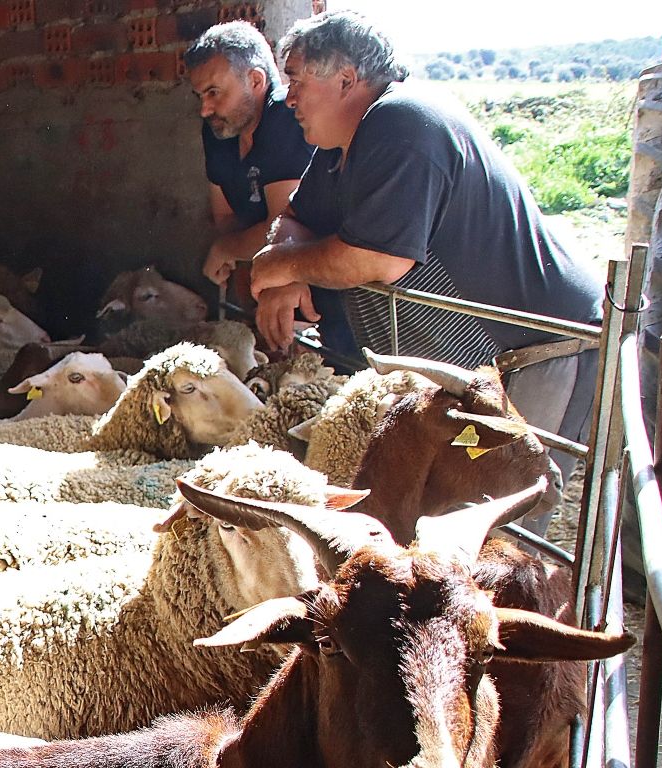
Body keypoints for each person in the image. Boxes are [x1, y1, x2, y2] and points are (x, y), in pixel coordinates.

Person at [248, 10, 602, 459]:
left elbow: (378, 259)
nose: (289, 99)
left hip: (537, 350)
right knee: (457, 491)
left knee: (504, 501)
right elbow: (297, 215)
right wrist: (288, 273)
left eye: (296, 81)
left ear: (346, 78)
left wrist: (277, 264)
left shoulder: (400, 122)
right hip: (478, 367)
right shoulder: (343, 145)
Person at [185, 21, 356, 363]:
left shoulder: (286, 119)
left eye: (215, 92)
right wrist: (250, 294)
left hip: (318, 290)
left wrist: (227, 250)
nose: (205, 108)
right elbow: (226, 218)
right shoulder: (219, 129)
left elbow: (282, 225)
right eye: (200, 95)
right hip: (269, 282)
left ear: (256, 81)